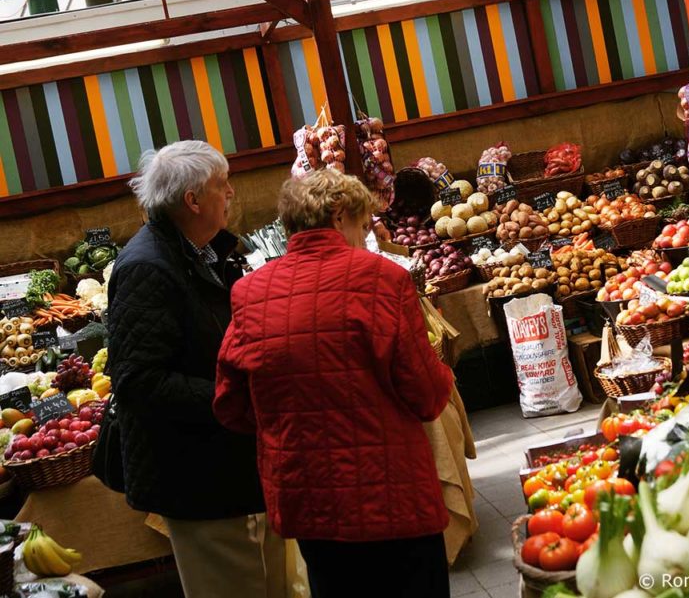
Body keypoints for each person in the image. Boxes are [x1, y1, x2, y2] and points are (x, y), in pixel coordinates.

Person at [214, 169, 454, 598]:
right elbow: (427, 393)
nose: (365, 237)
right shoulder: (384, 279)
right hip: (392, 492)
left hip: (308, 497)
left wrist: (287, 422)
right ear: (340, 216)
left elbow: (230, 402)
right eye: (363, 225)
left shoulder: (250, 293)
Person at [106, 141, 285, 598]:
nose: (231, 194)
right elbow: (140, 382)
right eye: (222, 185)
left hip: (231, 463)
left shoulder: (203, 251)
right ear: (193, 200)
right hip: (198, 478)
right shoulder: (147, 268)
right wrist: (234, 398)